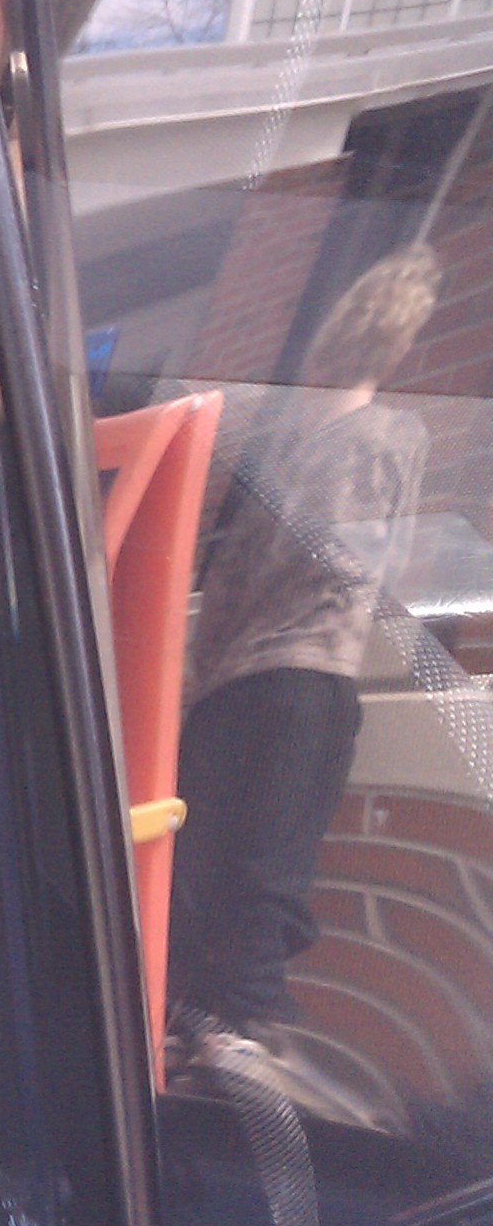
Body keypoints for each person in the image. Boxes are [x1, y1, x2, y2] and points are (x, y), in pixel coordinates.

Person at [168, 243, 442, 1052]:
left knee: (200, 874)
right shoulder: (393, 434)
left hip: (226, 688)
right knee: (269, 871)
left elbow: (227, 583)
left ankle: (193, 1024)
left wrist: (197, 679)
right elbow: (376, 561)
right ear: (399, 345)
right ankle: (246, 1034)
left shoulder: (278, 450)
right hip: (308, 677)